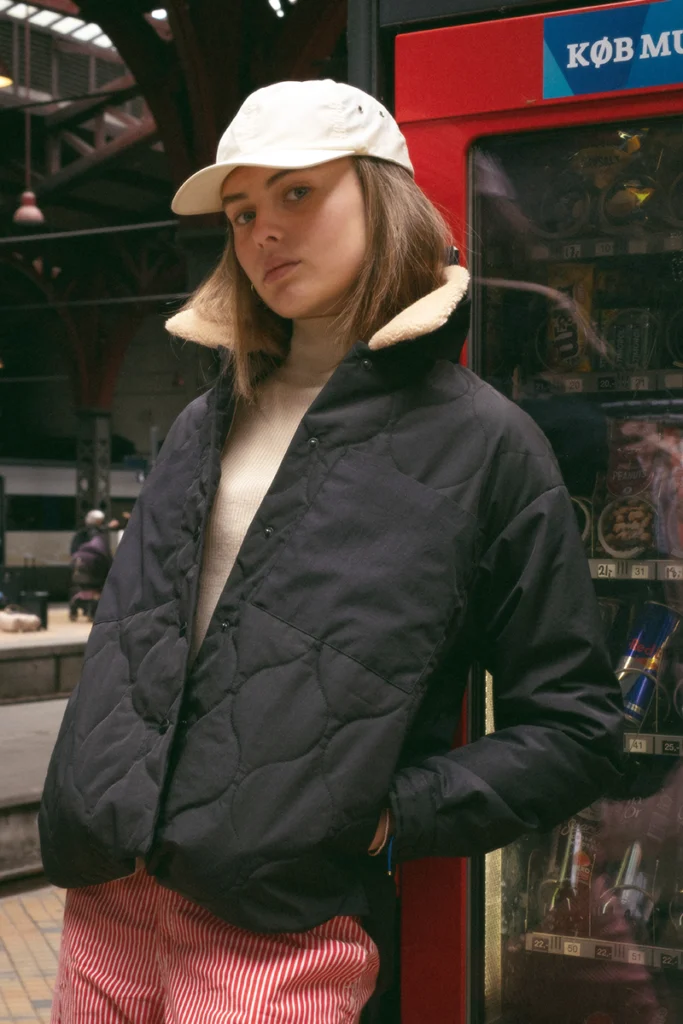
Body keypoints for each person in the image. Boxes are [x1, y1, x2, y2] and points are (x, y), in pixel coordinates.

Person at [39, 79, 623, 1023]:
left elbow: (575, 726)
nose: (262, 230)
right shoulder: (201, 422)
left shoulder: (484, 443)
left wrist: (390, 817)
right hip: (108, 892)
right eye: (240, 212)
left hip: (278, 927)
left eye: (295, 193)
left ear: (380, 196)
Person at [67, 509, 112, 622]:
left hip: (78, 569)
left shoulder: (80, 534)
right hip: (94, 571)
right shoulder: (100, 536)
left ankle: (75, 610)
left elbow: (73, 551)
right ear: (99, 521)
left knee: (80, 589)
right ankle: (92, 611)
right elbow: (105, 555)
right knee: (98, 589)